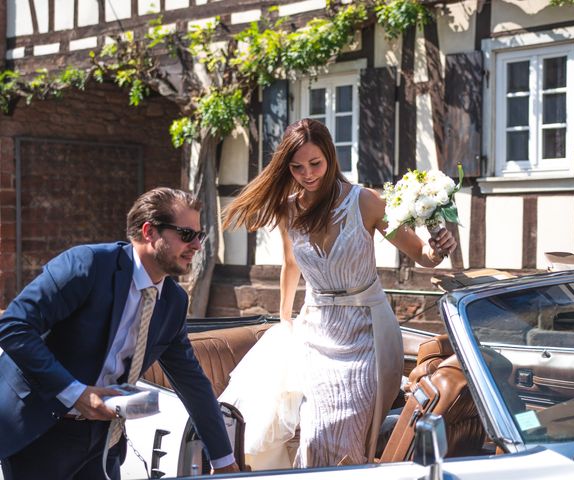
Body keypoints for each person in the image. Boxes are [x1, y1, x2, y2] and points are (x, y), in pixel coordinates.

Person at [221, 118, 457, 469]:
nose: (308, 174)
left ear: (330, 157)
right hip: (316, 330)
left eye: (315, 163)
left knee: (345, 432)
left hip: (367, 332)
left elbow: (422, 255)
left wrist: (439, 250)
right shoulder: (288, 208)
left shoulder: (366, 202)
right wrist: (285, 320)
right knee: (313, 432)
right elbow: (291, 264)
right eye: (297, 167)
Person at [0, 187, 240, 479]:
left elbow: (192, 382)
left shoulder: (173, 302)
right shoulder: (86, 265)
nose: (197, 246)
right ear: (149, 231)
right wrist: (75, 393)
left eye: (199, 236)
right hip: (40, 432)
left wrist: (224, 459)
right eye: (186, 235)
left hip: (104, 441)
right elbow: (13, 326)